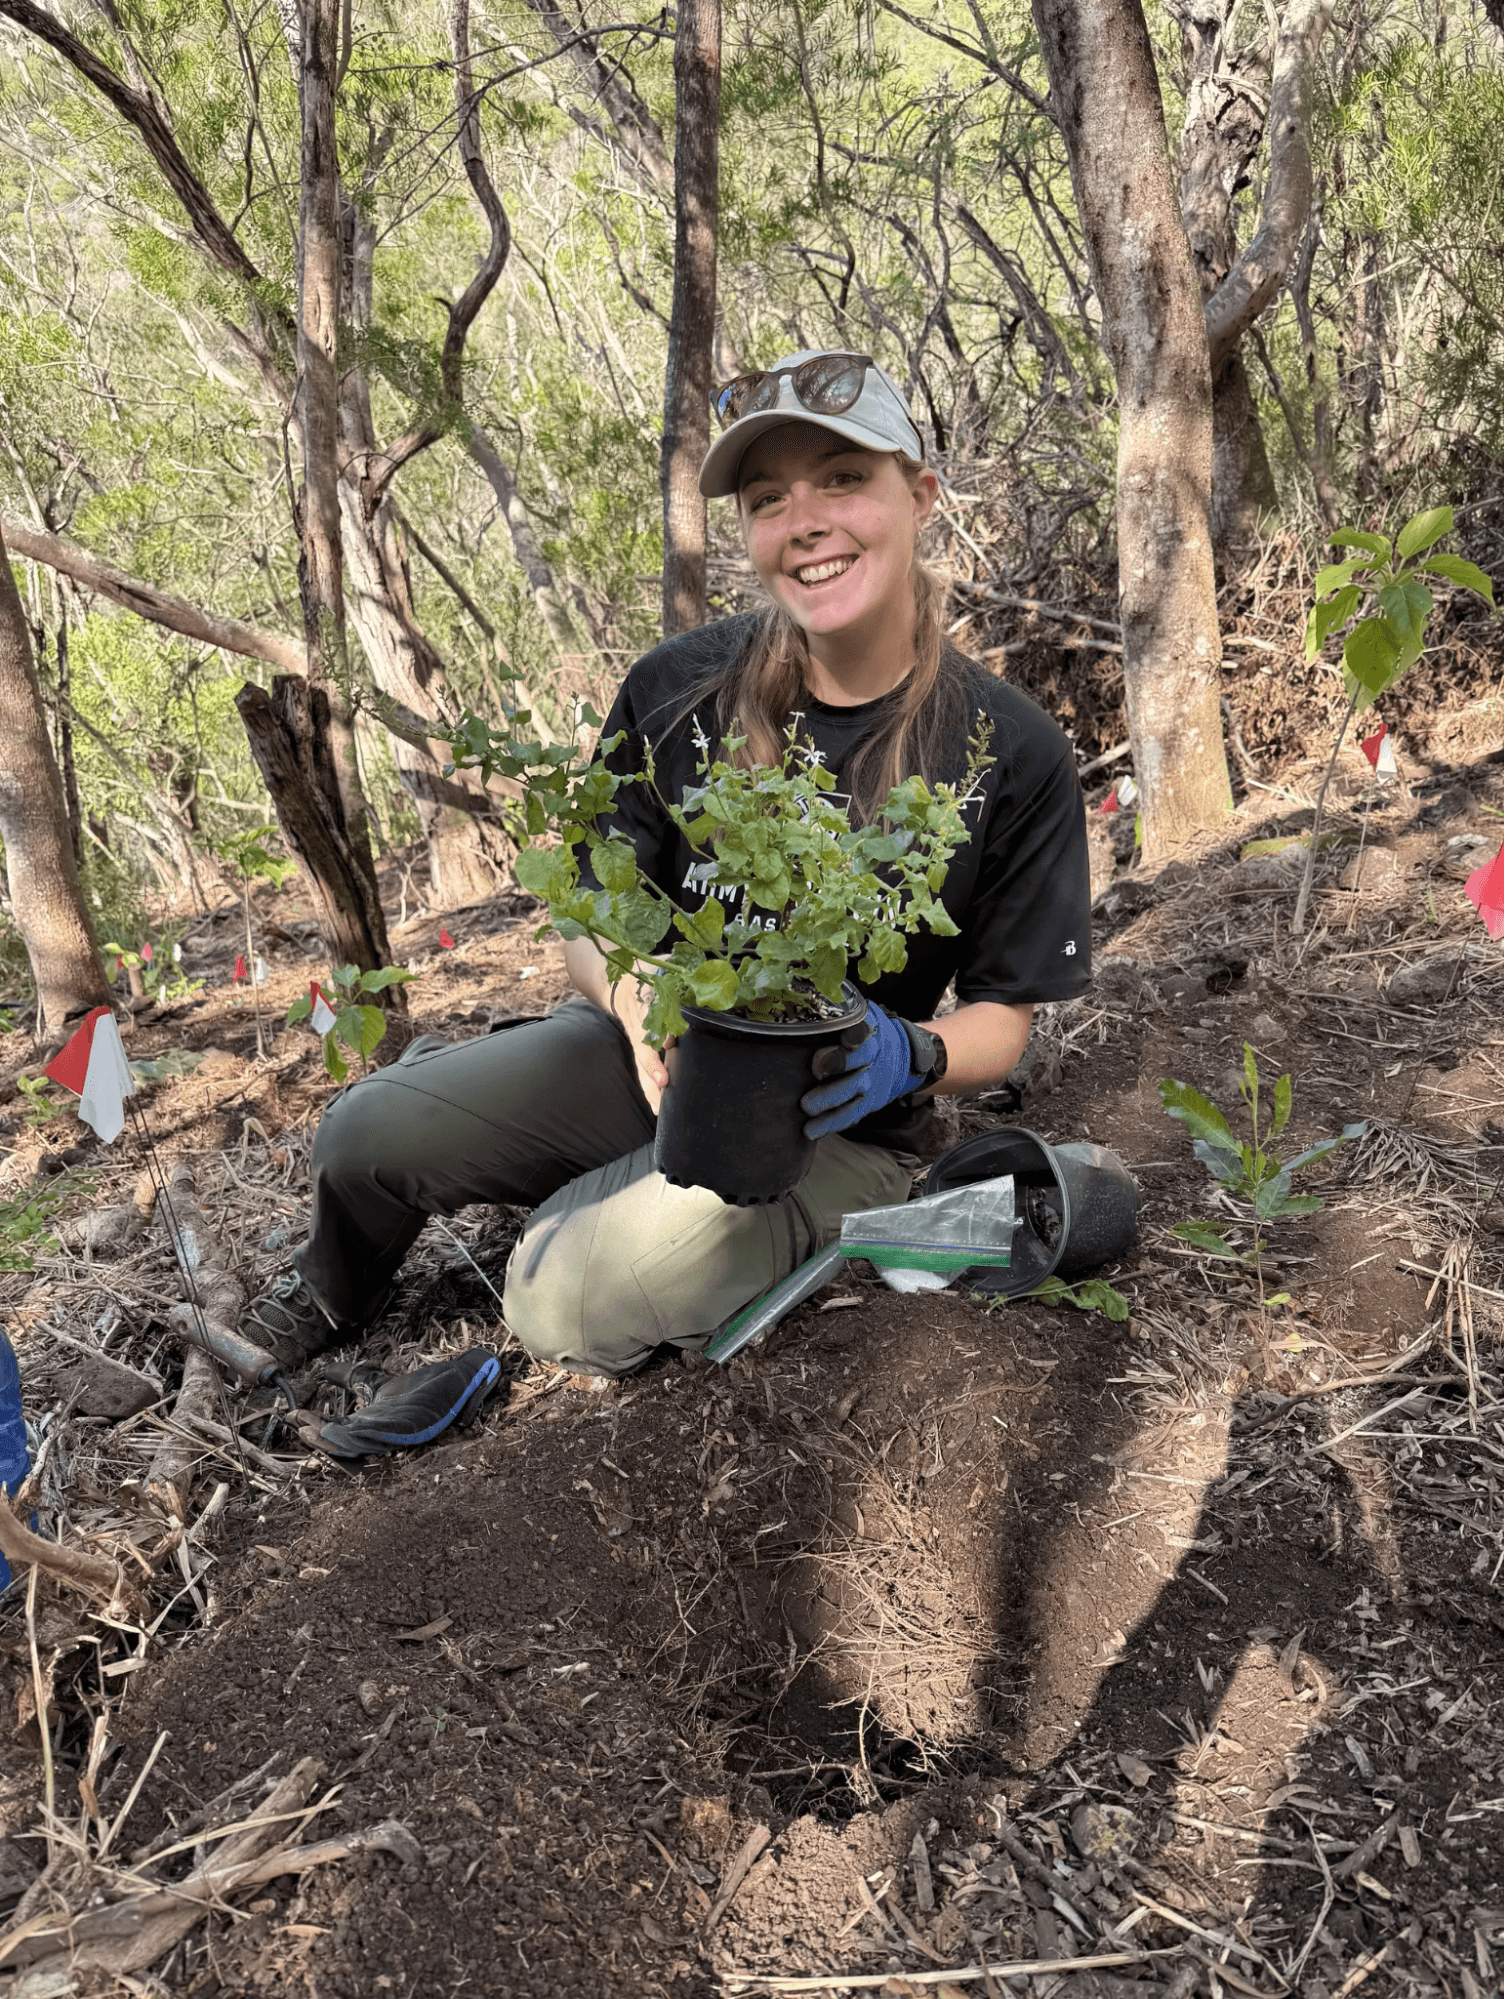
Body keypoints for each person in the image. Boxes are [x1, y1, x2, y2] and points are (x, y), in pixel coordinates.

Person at [243, 351, 1092, 1381]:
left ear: (918, 494)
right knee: (365, 1131)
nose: (804, 522)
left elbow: (1002, 1021)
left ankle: (706, 1216)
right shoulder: (679, 687)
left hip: (836, 1119)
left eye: (841, 479)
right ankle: (333, 1287)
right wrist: (636, 990)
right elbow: (587, 910)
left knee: (562, 1296)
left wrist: (905, 1052)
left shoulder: (1009, 750)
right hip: (651, 1054)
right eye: (767, 498)